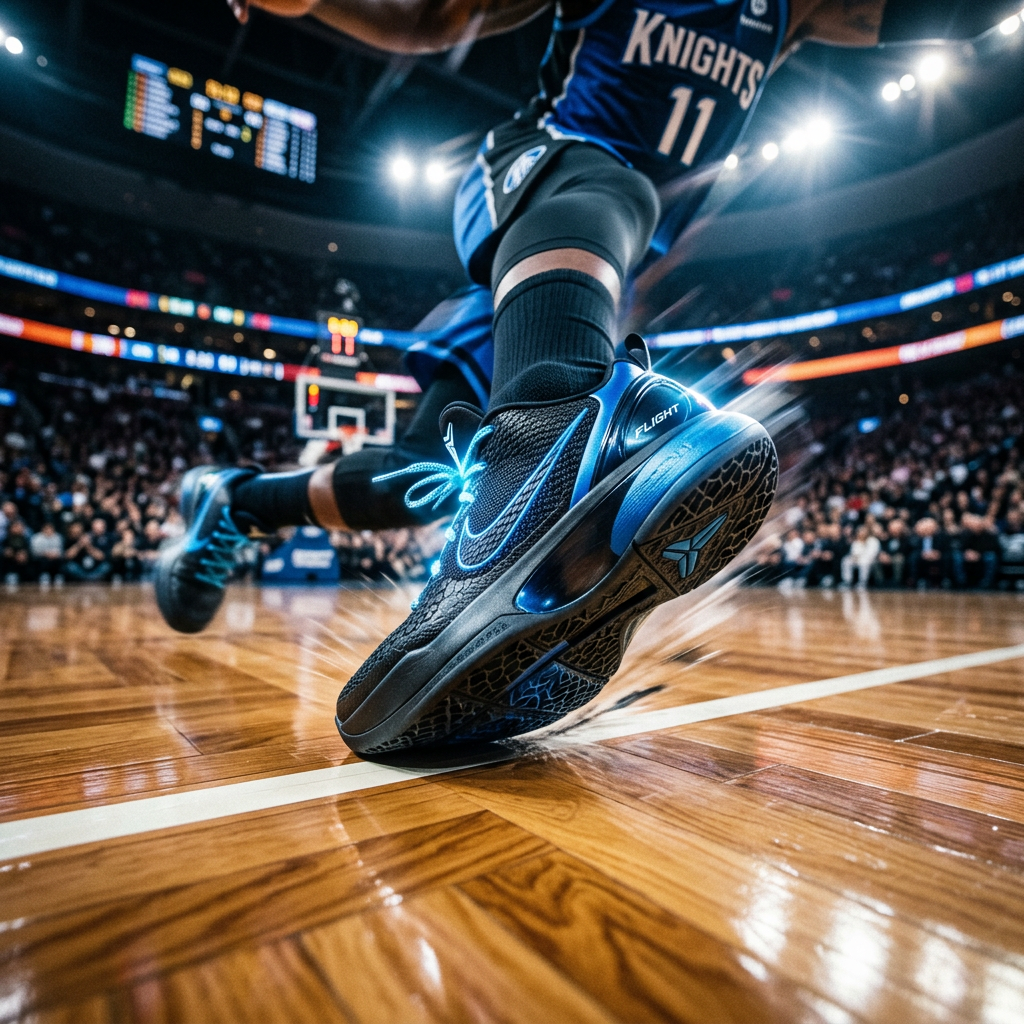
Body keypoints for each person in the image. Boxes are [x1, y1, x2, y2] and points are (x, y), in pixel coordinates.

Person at [156, 0, 1021, 756]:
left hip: (567, 280)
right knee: (614, 182)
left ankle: (234, 501)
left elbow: (958, 14)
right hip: (539, 179)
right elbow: (434, 15)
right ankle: (557, 430)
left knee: (426, 480)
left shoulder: (793, 7)